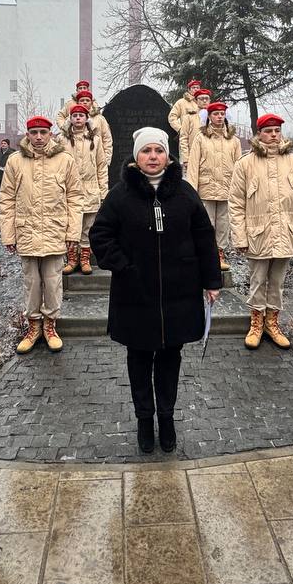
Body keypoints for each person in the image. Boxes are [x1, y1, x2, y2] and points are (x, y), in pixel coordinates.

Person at [90, 127, 221, 454]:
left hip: (178, 293)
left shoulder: (185, 193)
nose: (153, 156)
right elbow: (100, 236)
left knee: (169, 358)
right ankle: (144, 419)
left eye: (158, 151)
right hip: (136, 295)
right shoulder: (120, 195)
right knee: (138, 358)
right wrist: (124, 266)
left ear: (168, 155)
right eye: (146, 151)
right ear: (136, 156)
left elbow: (205, 238)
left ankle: (167, 416)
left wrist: (211, 280)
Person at [0, 116, 82, 354]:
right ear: (27, 134)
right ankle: (33, 325)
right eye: (33, 132)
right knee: (32, 283)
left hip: (55, 230)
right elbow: (6, 200)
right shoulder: (15, 161)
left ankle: (51, 325)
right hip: (27, 231)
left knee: (53, 282)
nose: (38, 137)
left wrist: (73, 232)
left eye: (42, 132)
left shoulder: (64, 160)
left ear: (50, 134)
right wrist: (9, 235)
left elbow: (75, 198)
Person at [229, 113, 293, 351]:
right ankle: (256, 323)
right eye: (268, 131)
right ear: (259, 134)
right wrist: (240, 237)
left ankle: (272, 323)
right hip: (258, 234)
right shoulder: (245, 163)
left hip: (286, 232)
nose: (274, 135)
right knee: (257, 280)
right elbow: (235, 203)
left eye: (277, 131)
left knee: (277, 282)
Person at [186, 100, 241, 271]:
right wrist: (191, 192)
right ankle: (204, 253)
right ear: (209, 116)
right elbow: (194, 166)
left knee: (224, 224)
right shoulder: (200, 139)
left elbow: (239, 167)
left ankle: (219, 253)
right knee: (206, 223)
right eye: (215, 114)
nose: (219, 117)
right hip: (206, 188)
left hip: (227, 189)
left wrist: (239, 190)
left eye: (222, 114)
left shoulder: (234, 141)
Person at [63, 104, 108, 276]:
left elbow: (101, 166)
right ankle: (72, 259)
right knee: (71, 226)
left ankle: (85, 260)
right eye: (75, 116)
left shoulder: (94, 140)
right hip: (70, 191)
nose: (78, 118)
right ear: (70, 119)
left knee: (88, 227)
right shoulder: (63, 139)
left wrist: (103, 191)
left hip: (90, 190)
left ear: (86, 118)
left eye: (81, 115)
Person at [58, 87, 113, 160]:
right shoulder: (71, 119)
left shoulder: (100, 119)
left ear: (91, 102)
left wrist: (106, 159)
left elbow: (107, 139)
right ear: (78, 103)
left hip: (94, 158)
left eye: (87, 100)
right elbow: (63, 138)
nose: (85, 102)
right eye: (82, 100)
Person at [168, 79, 203, 167]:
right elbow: (172, 117)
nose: (196, 89)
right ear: (189, 89)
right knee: (189, 166)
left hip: (203, 137)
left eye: (197, 87)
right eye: (193, 87)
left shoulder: (203, 103)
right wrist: (180, 129)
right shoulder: (181, 103)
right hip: (187, 139)